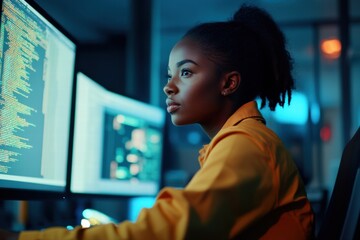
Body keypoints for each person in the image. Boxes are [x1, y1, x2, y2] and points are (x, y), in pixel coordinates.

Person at [1, 4, 314, 240]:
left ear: (228, 83)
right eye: (170, 75)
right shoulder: (245, 142)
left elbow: (168, 232)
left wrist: (21, 237)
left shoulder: (249, 145)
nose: (169, 86)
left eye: (186, 72)